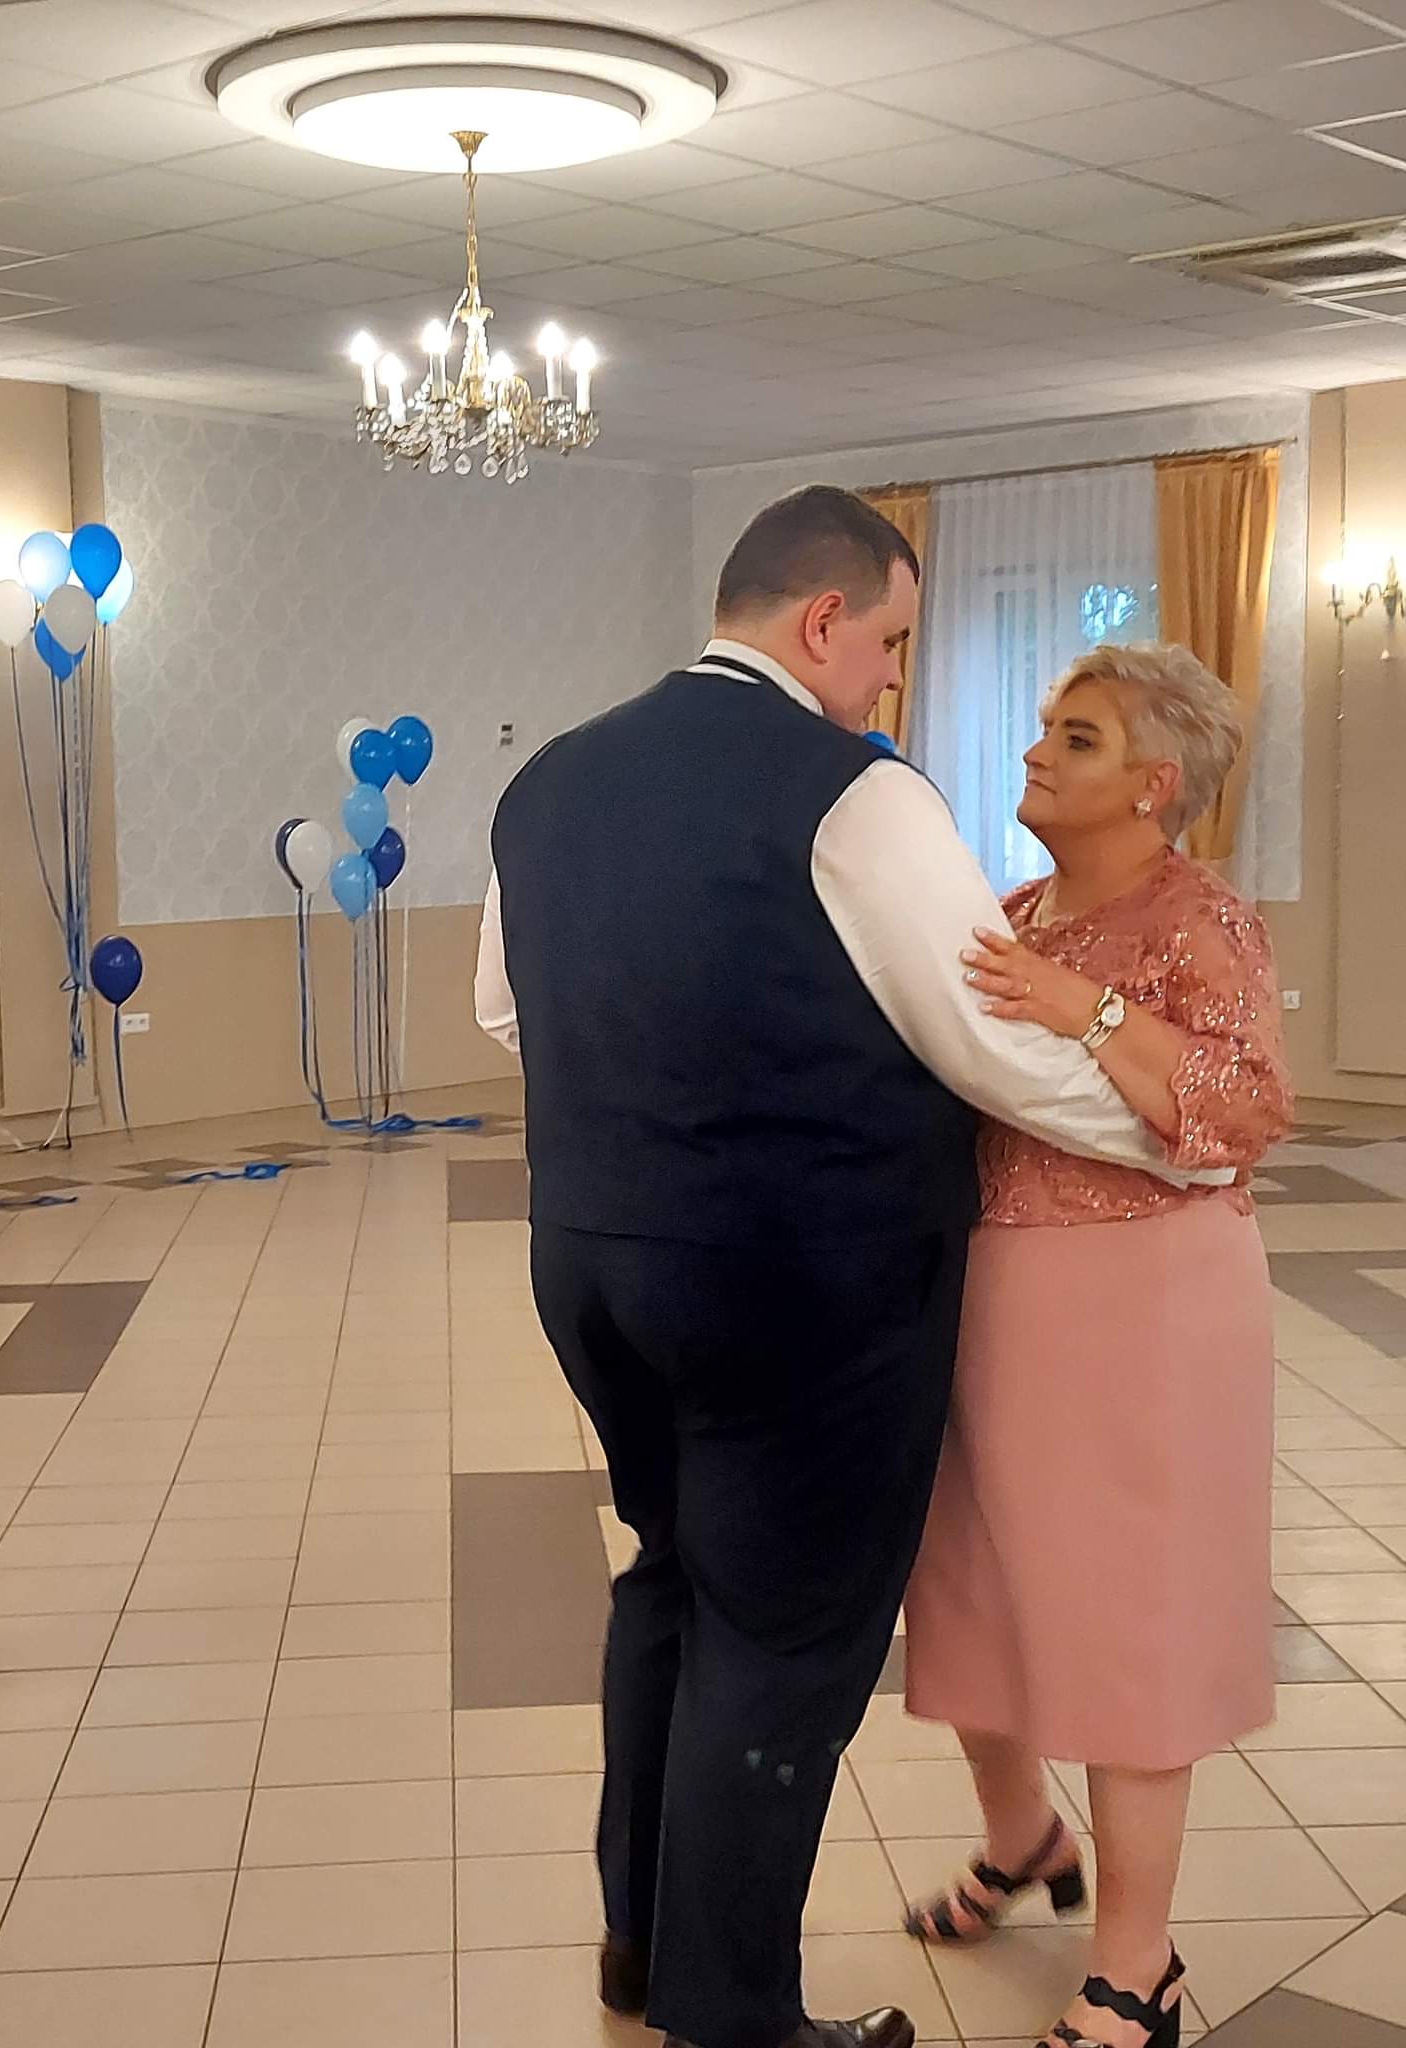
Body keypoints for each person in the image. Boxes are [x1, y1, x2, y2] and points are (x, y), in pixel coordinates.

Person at [475, 488, 1218, 2048]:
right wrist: (1179, 1137)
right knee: (780, 1635)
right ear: (824, 622)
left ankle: (642, 1947)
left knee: (668, 1577)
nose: (890, 679)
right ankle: (734, 2012)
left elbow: (506, 1012)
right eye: (888, 643)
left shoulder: (549, 780)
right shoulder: (857, 793)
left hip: (591, 1260)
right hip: (799, 1282)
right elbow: (981, 1040)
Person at [901, 643, 1294, 2048]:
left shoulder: (1204, 922)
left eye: (1077, 738)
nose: (1035, 753)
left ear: (1153, 784)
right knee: (975, 1587)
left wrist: (1094, 1009)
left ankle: (1137, 1968)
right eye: (1045, 728)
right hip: (994, 1297)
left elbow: (1245, 1113)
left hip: (1151, 1309)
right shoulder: (1011, 917)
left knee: (1136, 1625)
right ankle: (1023, 1838)